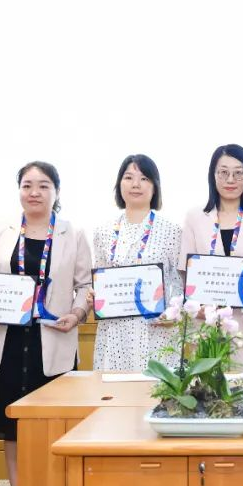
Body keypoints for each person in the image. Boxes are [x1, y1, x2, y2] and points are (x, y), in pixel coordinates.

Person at [0, 161, 92, 486]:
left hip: (52, 340)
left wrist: (77, 313)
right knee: (12, 429)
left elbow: (85, 285)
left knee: (54, 426)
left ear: (56, 192)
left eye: (43, 185)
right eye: (27, 185)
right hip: (7, 341)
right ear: (19, 191)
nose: (35, 192)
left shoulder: (73, 233)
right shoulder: (1, 228)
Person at [178, 144, 243, 371]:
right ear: (213, 176)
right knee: (205, 393)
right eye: (223, 172)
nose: (230, 179)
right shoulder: (195, 217)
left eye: (238, 173)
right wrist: (195, 307)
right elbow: (185, 271)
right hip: (204, 327)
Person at [93, 154, 182, 371]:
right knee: (113, 388)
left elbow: (179, 281)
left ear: (155, 186)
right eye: (128, 177)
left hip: (156, 329)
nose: (135, 184)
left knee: (155, 389)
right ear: (119, 184)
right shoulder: (103, 231)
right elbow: (99, 278)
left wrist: (174, 312)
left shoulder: (172, 231)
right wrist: (94, 294)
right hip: (115, 331)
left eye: (144, 178)